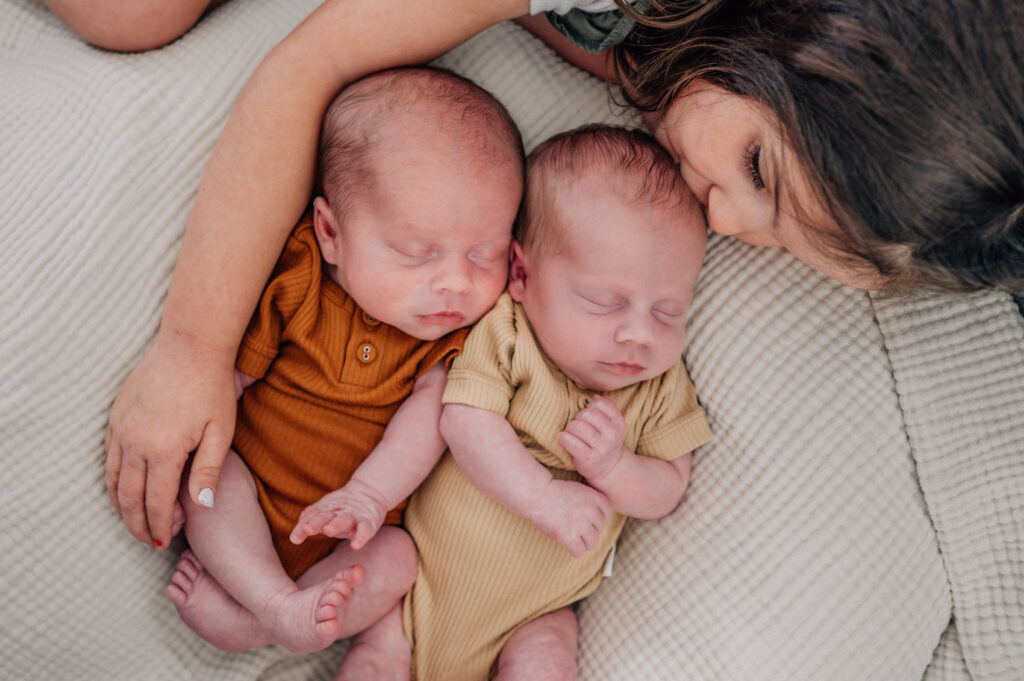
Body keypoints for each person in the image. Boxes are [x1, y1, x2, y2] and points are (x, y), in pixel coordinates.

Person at [103, 0, 1022, 576]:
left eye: (783, 237)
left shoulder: (689, 67)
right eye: (757, 170)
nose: (731, 222)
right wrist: (193, 346)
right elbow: (315, 58)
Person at [162, 65, 525, 677]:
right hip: (249, 489)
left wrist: (370, 494)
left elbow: (430, 421)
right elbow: (230, 380)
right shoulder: (298, 278)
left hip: (349, 536)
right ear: (332, 233)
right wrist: (181, 457)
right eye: (417, 252)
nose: (457, 282)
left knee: (400, 558)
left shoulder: (463, 334)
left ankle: (260, 619)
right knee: (210, 479)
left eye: (484, 254)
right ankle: (273, 601)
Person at [401, 124, 713, 681]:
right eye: (604, 302)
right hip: (416, 581)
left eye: (669, 312)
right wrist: (542, 498)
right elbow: (465, 420)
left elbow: (669, 488)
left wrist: (616, 467)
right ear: (521, 274)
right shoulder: (508, 335)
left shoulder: (660, 387)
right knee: (374, 653)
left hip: (534, 615)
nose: (640, 335)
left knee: (547, 659)